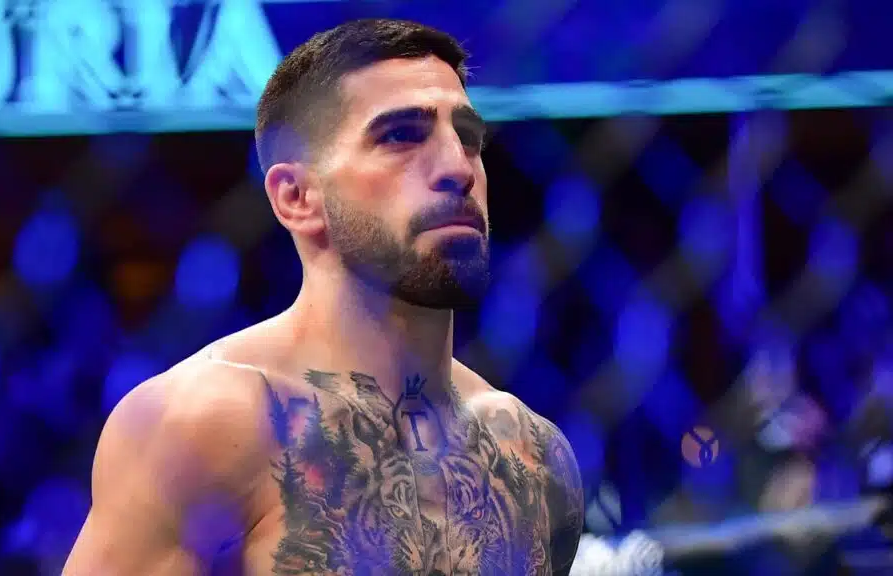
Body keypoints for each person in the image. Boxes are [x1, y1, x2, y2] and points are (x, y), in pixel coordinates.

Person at [64, 18, 583, 575]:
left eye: (468, 138)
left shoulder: (531, 456)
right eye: (401, 136)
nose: (458, 167)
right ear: (297, 197)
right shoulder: (210, 422)